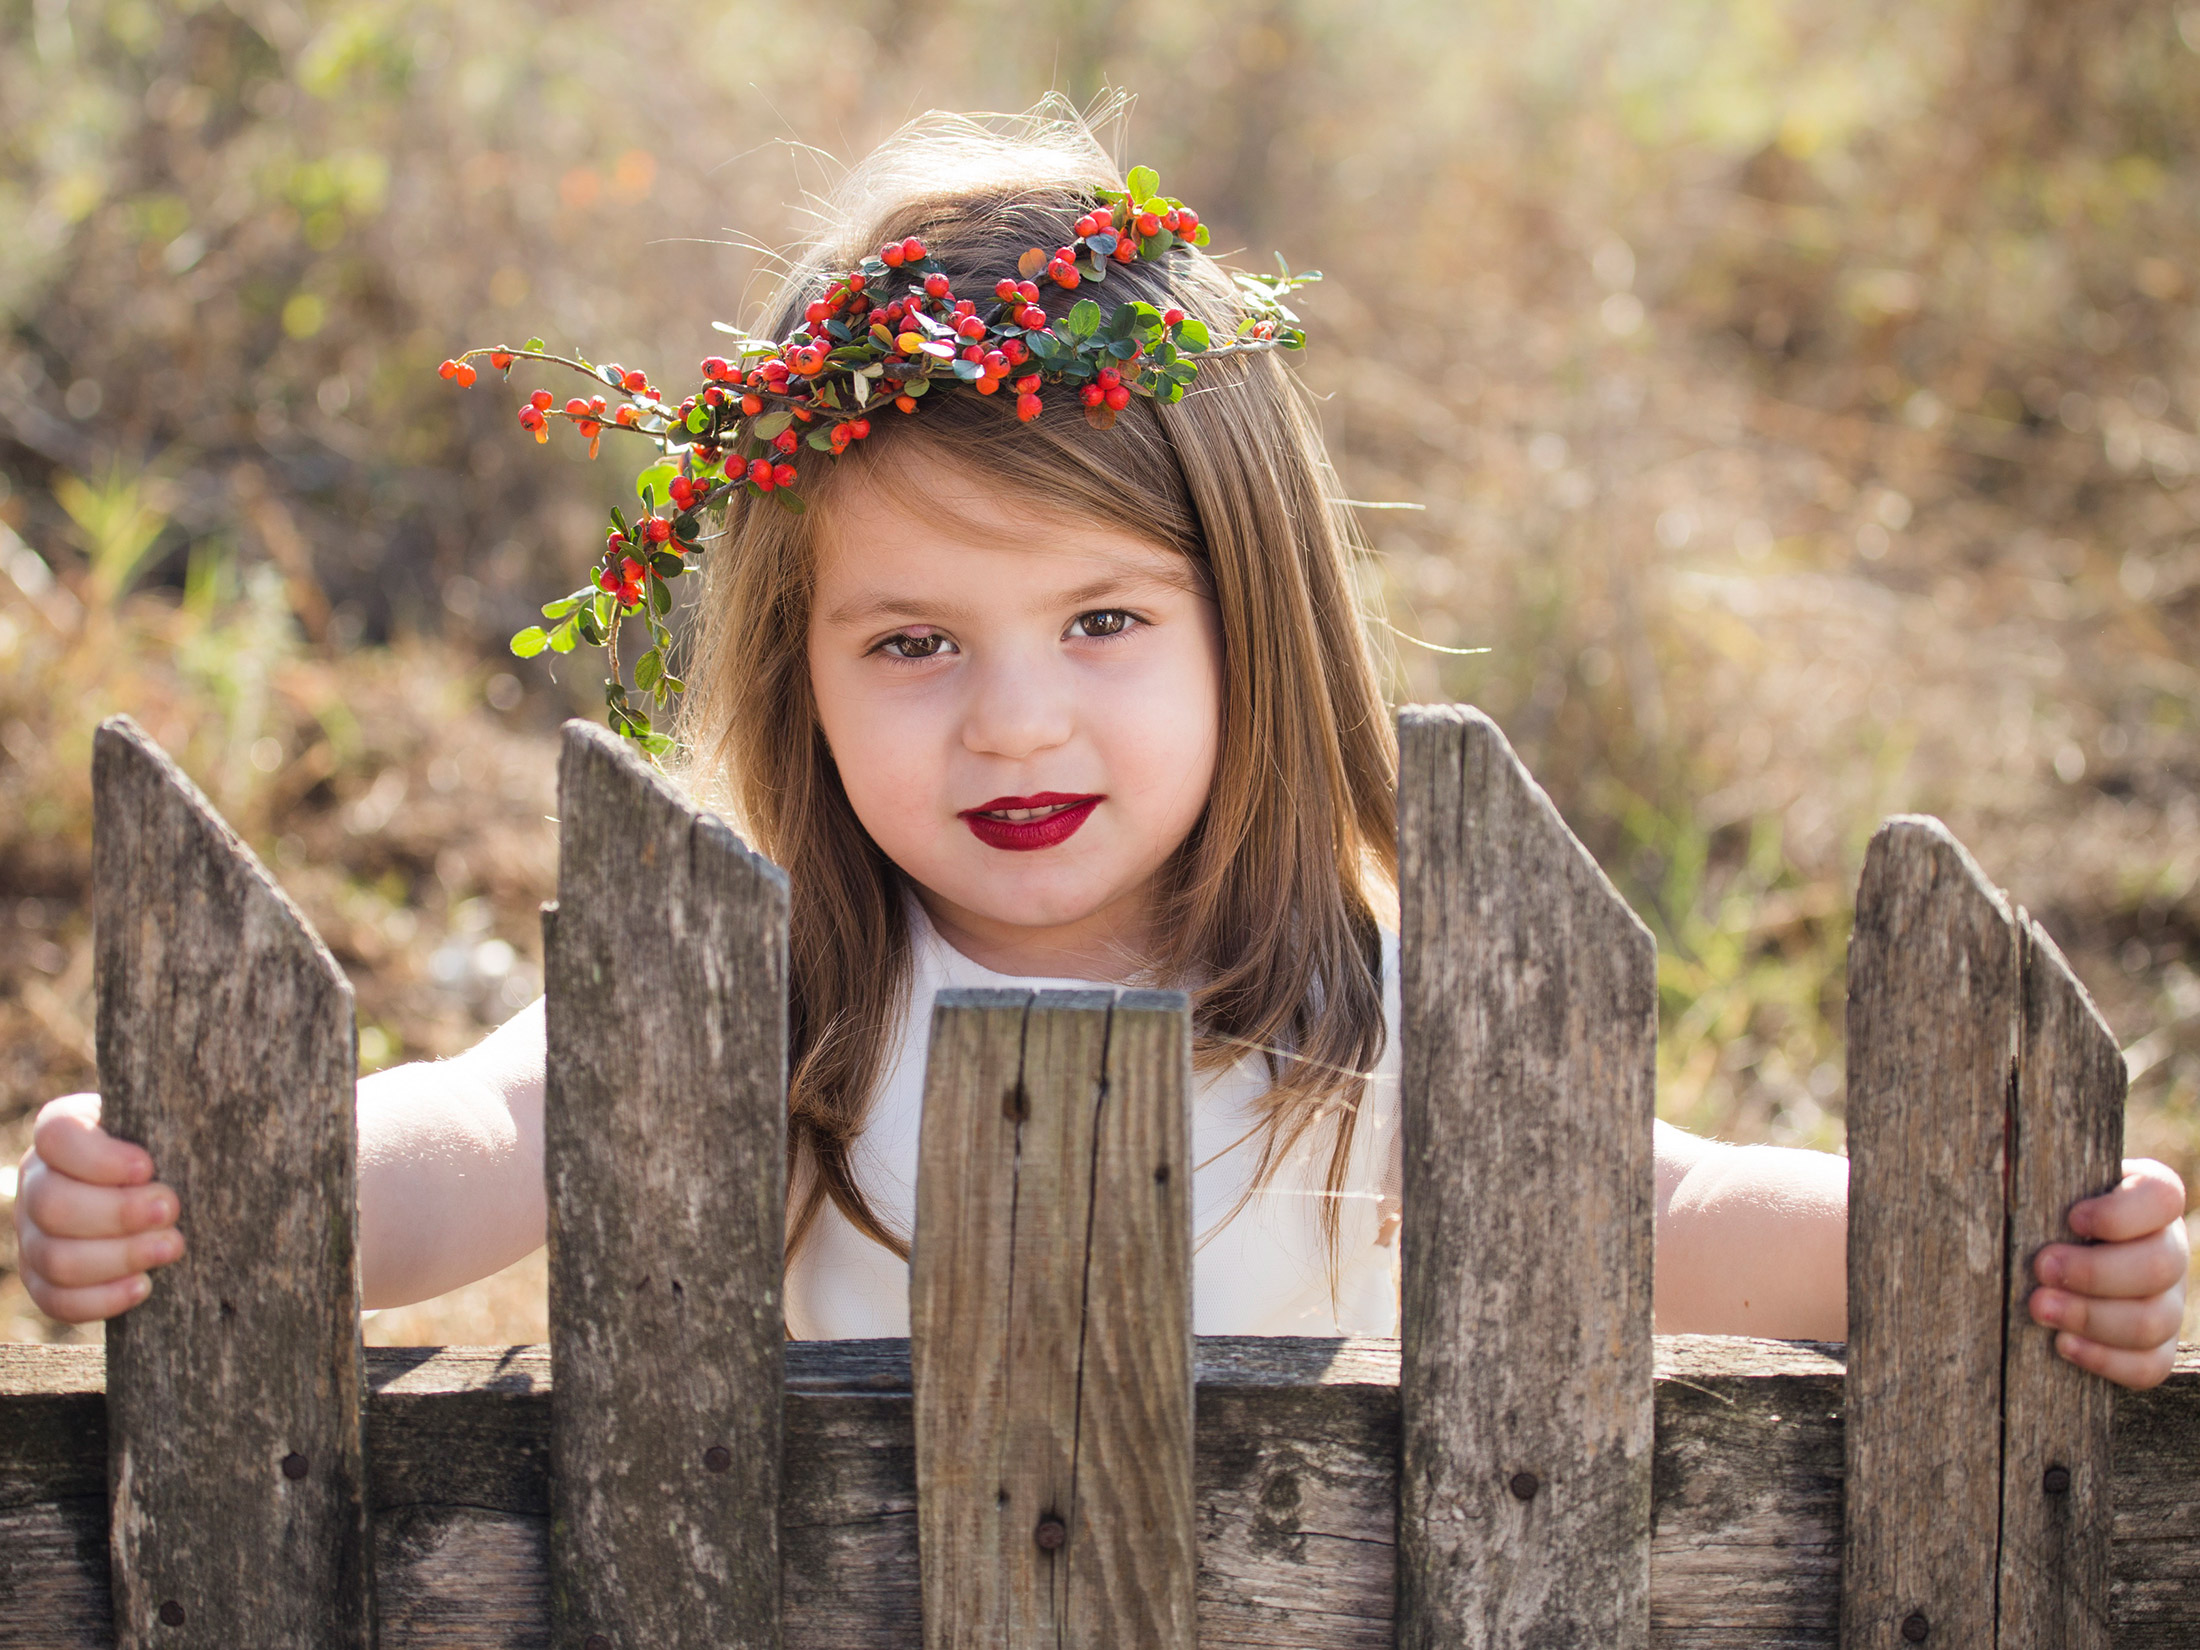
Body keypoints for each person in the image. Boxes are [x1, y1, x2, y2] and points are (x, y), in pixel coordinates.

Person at [12, 109, 2189, 1385]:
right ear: (798, 674)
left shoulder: (1357, 1002)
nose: (1015, 715)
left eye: (1104, 620)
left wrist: (1974, 1237)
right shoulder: (764, 992)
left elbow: (1669, 1202)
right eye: (908, 643)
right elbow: (480, 1136)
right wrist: (209, 1171)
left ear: (1257, 626)